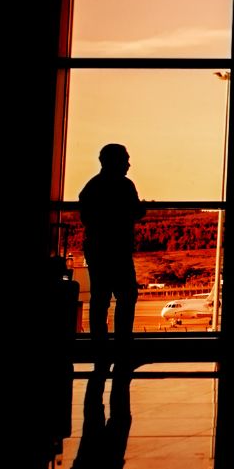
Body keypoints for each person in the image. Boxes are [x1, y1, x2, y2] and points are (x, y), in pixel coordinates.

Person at [78, 143, 145, 406]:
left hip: (97, 249)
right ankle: (122, 346)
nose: (129, 164)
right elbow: (137, 211)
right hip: (118, 250)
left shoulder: (92, 186)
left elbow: (87, 216)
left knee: (100, 299)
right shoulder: (124, 186)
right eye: (126, 159)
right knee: (126, 297)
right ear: (116, 161)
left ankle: (101, 348)